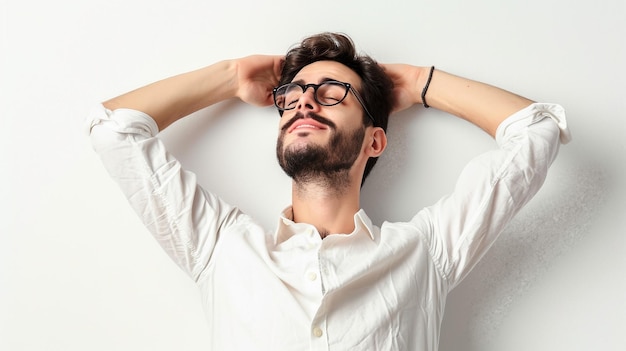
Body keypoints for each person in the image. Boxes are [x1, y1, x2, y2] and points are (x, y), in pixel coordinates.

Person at [87, 32, 570, 350]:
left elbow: (537, 130)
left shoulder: (426, 252)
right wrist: (231, 77)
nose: (305, 103)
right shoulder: (219, 246)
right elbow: (115, 130)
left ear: (373, 139)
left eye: (332, 92)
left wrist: (419, 83)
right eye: (293, 97)